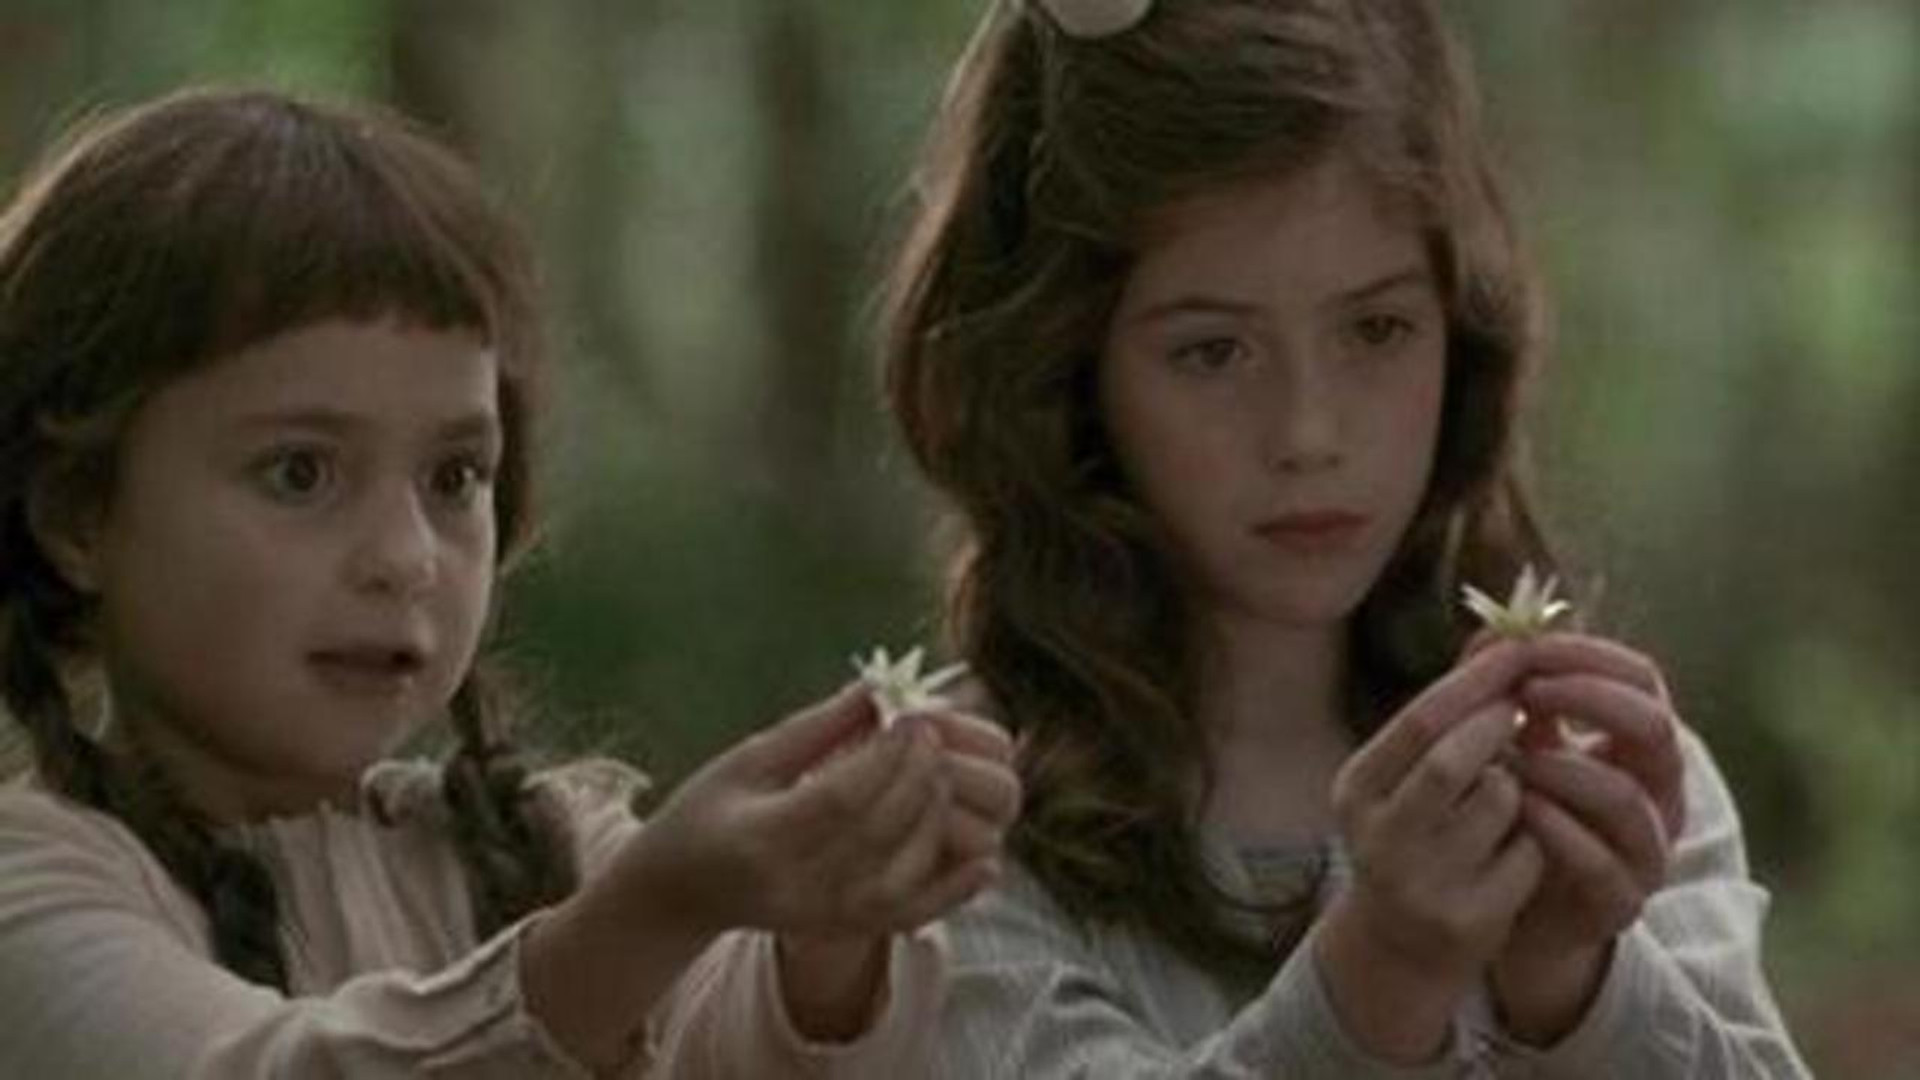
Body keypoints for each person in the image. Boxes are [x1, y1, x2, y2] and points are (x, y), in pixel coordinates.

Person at [0, 86, 1019, 1078]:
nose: (407, 555)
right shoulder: (33, 883)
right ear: (76, 514)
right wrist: (650, 912)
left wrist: (829, 926)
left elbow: (729, 1040)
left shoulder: (548, 848)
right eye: (300, 473)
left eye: (454, 477)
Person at [879, 0, 1809, 1075]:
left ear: (1460, 332)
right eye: (1213, 351)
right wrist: (1378, 977)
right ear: (1067, 375)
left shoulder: (1598, 774)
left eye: (1376, 328)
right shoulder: (950, 817)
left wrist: (1575, 982)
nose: (1308, 434)